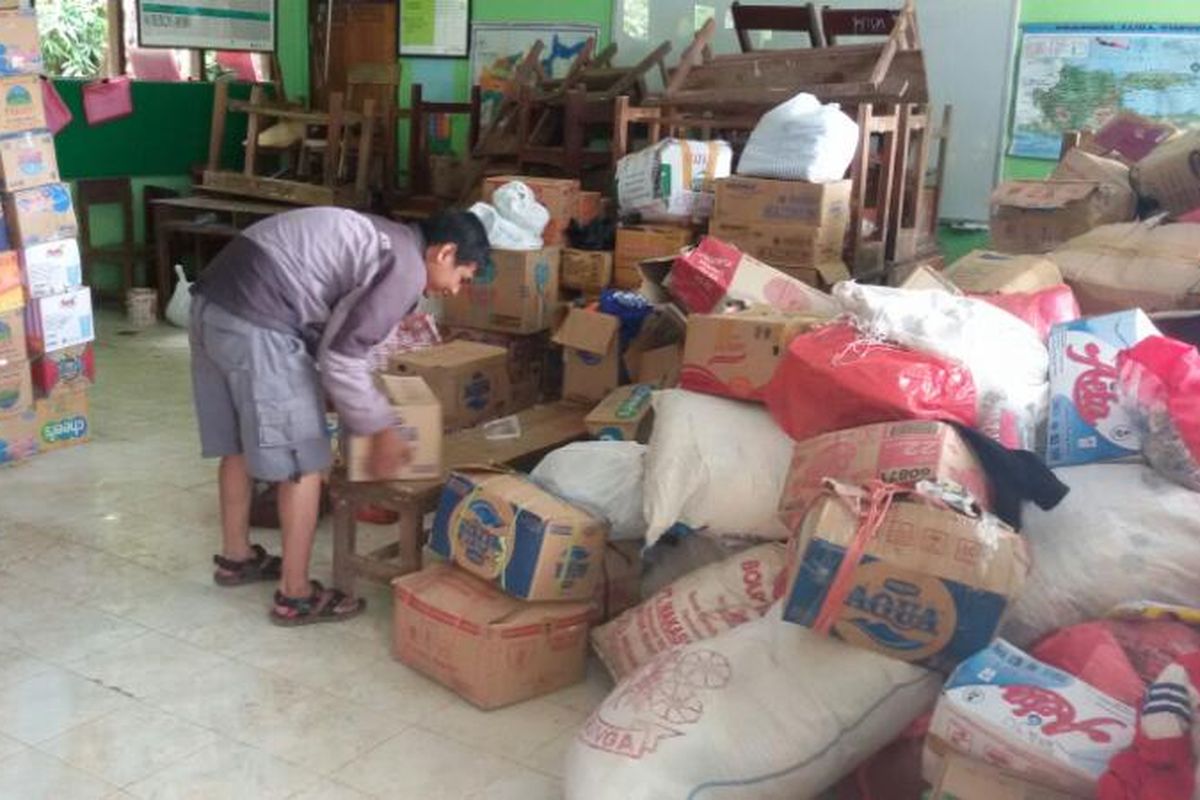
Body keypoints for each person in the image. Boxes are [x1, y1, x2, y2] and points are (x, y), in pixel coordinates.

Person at [188, 207, 488, 626]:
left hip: (210, 305)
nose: (456, 290)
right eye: (463, 277)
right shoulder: (404, 267)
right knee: (305, 464)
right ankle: (295, 595)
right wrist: (382, 431)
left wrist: (350, 409)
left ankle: (236, 558)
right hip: (261, 319)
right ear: (445, 253)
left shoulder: (384, 235)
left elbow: (335, 339)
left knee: (238, 444)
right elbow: (342, 357)